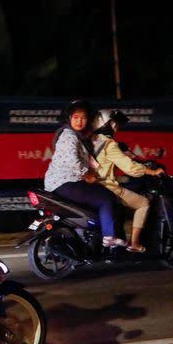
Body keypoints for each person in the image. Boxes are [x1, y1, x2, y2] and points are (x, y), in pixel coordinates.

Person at [44, 100, 123, 248]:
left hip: (61, 183)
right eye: (76, 117)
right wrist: (87, 175)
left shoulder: (78, 136)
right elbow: (72, 161)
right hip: (67, 183)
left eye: (83, 117)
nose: (79, 121)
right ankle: (109, 239)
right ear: (69, 118)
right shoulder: (69, 136)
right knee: (106, 199)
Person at [92, 110, 164, 253]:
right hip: (107, 187)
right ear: (107, 124)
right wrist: (152, 171)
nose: (117, 128)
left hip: (91, 187)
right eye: (115, 125)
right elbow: (130, 168)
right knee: (143, 203)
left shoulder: (92, 140)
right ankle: (134, 243)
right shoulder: (108, 144)